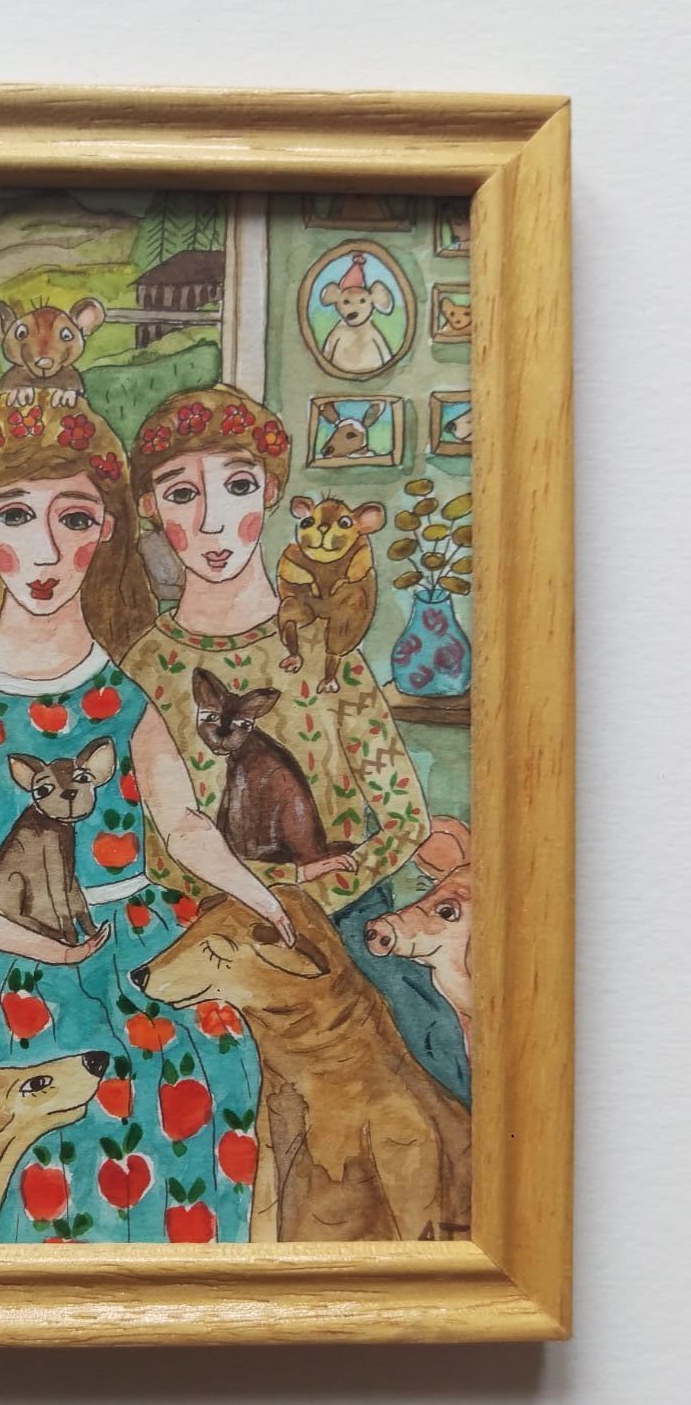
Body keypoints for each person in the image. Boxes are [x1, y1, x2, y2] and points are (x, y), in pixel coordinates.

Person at [0, 392, 297, 1244]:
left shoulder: (123, 698)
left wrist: (262, 898)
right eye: (16, 517)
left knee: (200, 1072)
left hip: (128, 945)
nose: (44, 551)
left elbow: (184, 825)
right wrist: (40, 948)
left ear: (104, 530)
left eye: (71, 519)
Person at [121, 384, 469, 1102]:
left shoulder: (325, 649)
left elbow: (403, 818)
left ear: (272, 493)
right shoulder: (145, 666)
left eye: (237, 487)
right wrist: (248, 906)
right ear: (151, 508)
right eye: (182, 495)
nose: (212, 521)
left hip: (338, 926)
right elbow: (149, 842)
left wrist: (306, 901)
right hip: (201, 936)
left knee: (427, 1071)